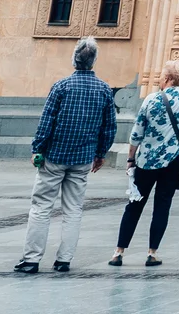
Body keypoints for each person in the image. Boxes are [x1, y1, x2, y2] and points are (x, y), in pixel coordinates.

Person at [17, 36, 117, 274]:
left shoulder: (61, 86)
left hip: (54, 155)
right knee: (73, 209)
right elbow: (109, 127)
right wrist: (100, 154)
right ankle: (64, 260)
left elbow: (46, 121)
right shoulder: (104, 89)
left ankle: (31, 260)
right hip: (83, 158)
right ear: (94, 61)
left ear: (74, 60)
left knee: (41, 207)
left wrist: (37, 149)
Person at [109, 61, 179, 268]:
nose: (159, 80)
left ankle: (119, 252)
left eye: (161, 77)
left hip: (147, 161)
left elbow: (137, 133)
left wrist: (130, 159)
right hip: (174, 160)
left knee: (134, 206)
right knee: (162, 206)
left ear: (169, 79)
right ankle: (152, 254)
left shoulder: (151, 100)